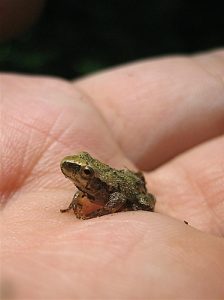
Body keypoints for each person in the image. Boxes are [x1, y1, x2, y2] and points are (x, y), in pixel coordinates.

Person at [1, 2, 224, 299]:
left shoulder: (101, 187)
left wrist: (97, 214)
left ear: (91, 175)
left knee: (141, 202)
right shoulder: (86, 187)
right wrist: (75, 206)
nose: (76, 172)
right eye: (79, 169)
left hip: (128, 189)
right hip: (113, 180)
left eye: (84, 171)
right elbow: (82, 193)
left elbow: (118, 197)